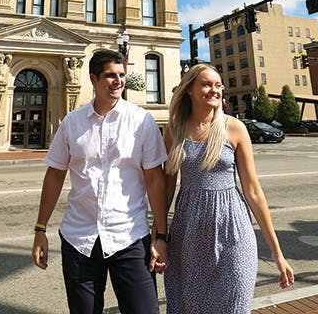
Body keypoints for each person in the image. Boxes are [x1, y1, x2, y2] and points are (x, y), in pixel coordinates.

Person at [32, 49, 169, 314]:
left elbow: (154, 179)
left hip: (129, 237)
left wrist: (160, 235)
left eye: (121, 75)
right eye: (110, 75)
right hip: (79, 239)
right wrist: (40, 229)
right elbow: (55, 175)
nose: (117, 81)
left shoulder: (141, 120)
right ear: (94, 79)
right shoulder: (72, 123)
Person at [162, 63, 295, 314]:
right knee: (190, 306)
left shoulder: (234, 128)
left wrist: (278, 254)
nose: (214, 90)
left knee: (234, 304)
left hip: (233, 229)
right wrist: (159, 235)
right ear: (188, 89)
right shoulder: (173, 130)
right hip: (189, 233)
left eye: (218, 85)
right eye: (206, 84)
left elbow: (253, 191)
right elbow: (167, 189)